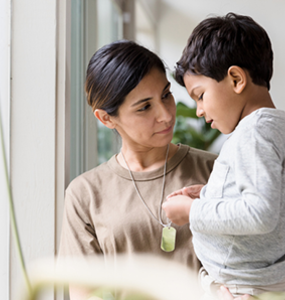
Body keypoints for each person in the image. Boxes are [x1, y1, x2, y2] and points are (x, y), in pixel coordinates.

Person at [58, 40, 218, 300]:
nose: (165, 115)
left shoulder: (216, 170)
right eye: (144, 107)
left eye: (166, 95)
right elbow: (84, 293)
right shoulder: (85, 194)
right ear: (106, 118)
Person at [162, 12, 285, 299]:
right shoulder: (273, 127)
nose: (200, 110)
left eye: (200, 95)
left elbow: (259, 214)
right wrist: (212, 193)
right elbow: (272, 196)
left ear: (236, 79)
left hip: (245, 289)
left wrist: (191, 212)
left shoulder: (253, 133)